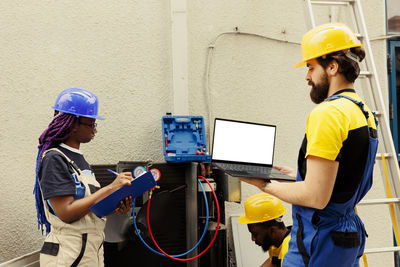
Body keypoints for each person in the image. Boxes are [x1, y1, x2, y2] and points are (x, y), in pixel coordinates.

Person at [240, 22, 378, 267]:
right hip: (345, 236)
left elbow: (316, 197)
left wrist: (263, 184)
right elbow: (343, 179)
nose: (307, 76)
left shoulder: (328, 113)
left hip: (319, 238)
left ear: (333, 67)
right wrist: (296, 175)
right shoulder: (363, 112)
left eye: (311, 67)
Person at [34, 88, 134, 266]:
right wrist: (110, 188)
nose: (95, 131)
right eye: (91, 124)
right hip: (67, 255)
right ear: (72, 124)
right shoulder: (54, 158)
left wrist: (116, 205)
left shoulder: (80, 162)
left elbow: (89, 208)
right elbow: (66, 212)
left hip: (90, 252)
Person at [239, 193, 291, 267]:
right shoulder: (277, 243)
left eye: (255, 234)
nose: (253, 239)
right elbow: (273, 262)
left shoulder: (289, 252)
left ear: (272, 230)